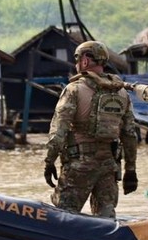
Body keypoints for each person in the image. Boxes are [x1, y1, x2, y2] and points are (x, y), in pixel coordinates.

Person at [43, 41, 139, 218]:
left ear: (86, 60)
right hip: (109, 167)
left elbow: (59, 131)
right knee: (106, 219)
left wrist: (49, 161)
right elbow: (130, 134)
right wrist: (130, 170)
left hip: (79, 166)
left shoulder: (74, 89)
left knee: (63, 216)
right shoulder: (122, 93)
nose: (76, 63)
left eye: (77, 59)